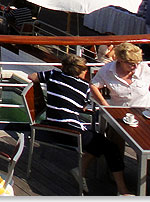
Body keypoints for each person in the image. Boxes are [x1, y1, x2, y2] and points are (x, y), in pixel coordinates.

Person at [29, 55, 129, 195]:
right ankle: (123, 191)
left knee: (99, 141)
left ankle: (80, 171)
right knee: (110, 147)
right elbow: (82, 108)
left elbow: (32, 76)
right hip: (70, 133)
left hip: (50, 127)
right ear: (82, 72)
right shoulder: (84, 87)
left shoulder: (52, 75)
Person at [90, 42, 150, 108]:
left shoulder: (143, 68)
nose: (136, 67)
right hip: (121, 112)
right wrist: (104, 105)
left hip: (146, 110)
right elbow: (93, 85)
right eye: (131, 64)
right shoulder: (107, 70)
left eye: (137, 63)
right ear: (120, 60)